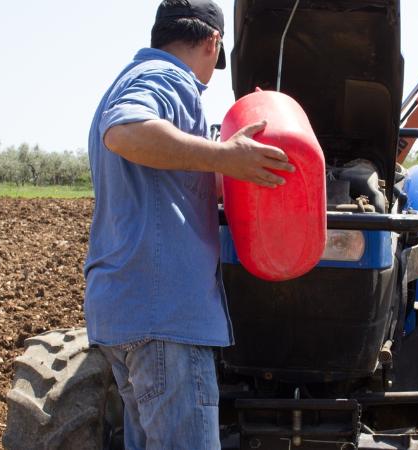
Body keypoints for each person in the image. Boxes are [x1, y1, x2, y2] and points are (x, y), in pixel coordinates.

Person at [83, 1, 295, 448]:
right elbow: (124, 130)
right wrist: (222, 156)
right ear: (212, 42)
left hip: (124, 310)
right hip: (166, 317)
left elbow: (168, 183)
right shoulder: (167, 79)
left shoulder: (125, 80)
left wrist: (222, 170)